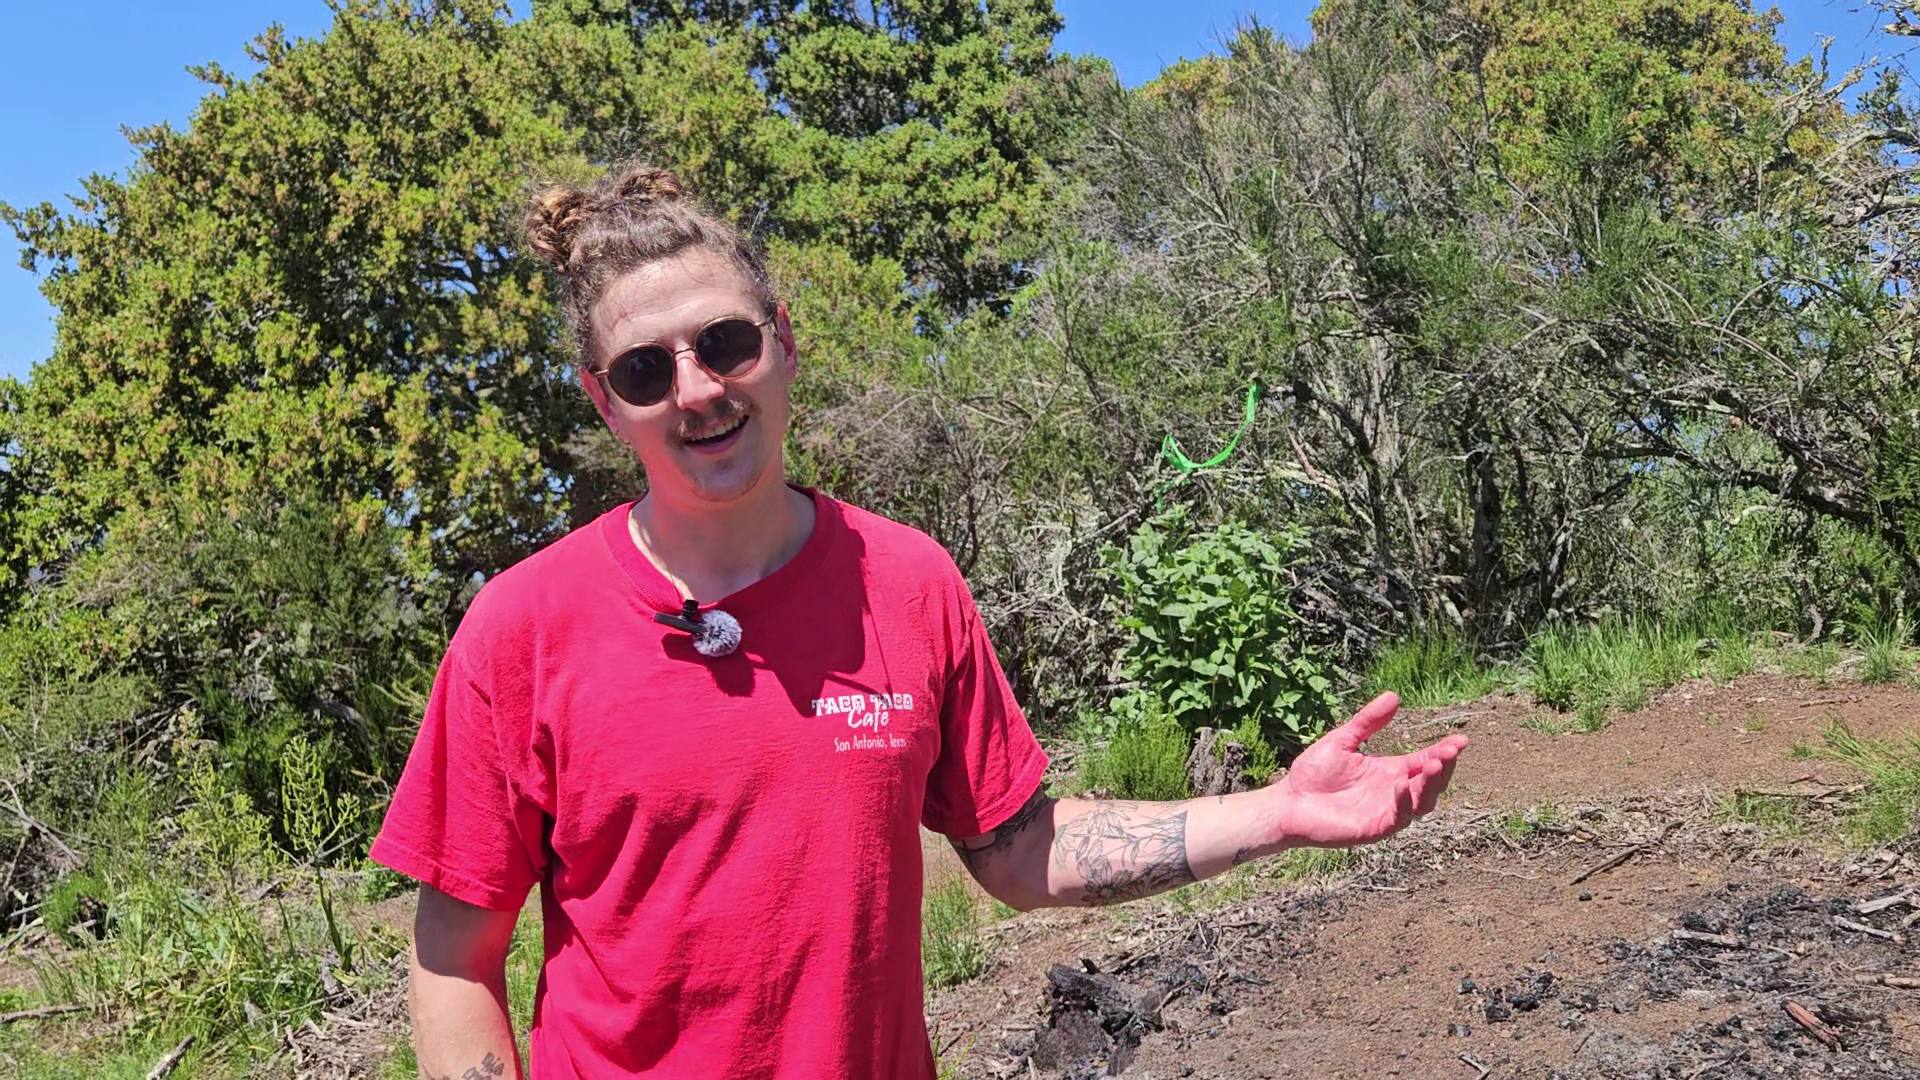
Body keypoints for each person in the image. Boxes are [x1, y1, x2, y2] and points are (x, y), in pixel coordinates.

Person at [370, 162, 1469, 1080]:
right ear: (604, 401)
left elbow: (1022, 848)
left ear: (784, 341)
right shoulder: (524, 628)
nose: (698, 390)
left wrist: (1277, 811)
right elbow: (456, 956)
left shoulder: (906, 581)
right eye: (649, 369)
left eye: (725, 343)